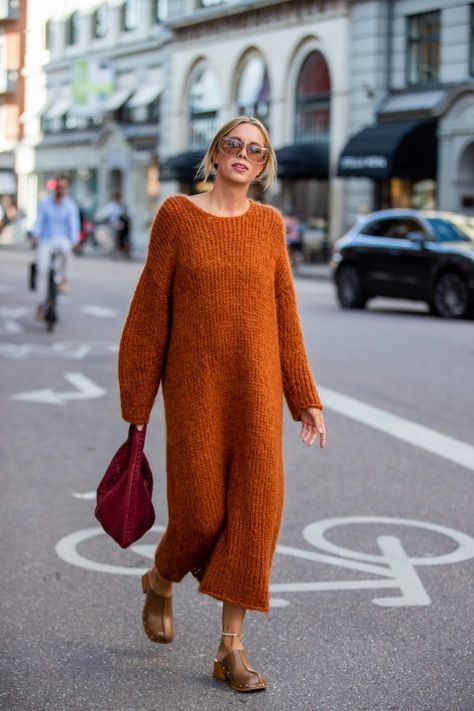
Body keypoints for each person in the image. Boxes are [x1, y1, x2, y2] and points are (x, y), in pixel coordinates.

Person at [117, 116, 326, 693]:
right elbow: (149, 311)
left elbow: (287, 315)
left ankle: (231, 649)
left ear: (263, 166)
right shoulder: (178, 217)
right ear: (215, 154)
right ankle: (160, 580)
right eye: (233, 144)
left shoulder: (269, 225)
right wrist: (137, 399)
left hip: (256, 397)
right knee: (201, 517)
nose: (243, 154)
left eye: (255, 150)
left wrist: (304, 397)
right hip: (195, 396)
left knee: (254, 517)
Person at [32, 175, 80, 319]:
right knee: (42, 271)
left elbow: (73, 225)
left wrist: (75, 240)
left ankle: (64, 280)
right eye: (58, 186)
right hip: (46, 240)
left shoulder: (70, 206)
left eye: (63, 187)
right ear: (55, 187)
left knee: (68, 253)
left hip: (62, 240)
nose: (60, 189)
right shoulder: (45, 204)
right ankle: (41, 305)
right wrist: (36, 234)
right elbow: (39, 222)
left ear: (67, 189)